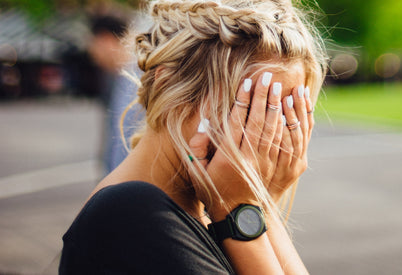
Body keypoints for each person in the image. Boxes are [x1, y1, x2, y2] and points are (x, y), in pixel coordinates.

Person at [59, 0, 327, 274]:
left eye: (285, 113)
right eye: (250, 108)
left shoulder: (208, 204)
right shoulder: (131, 213)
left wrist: (260, 205)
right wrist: (237, 213)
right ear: (170, 87)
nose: (269, 136)